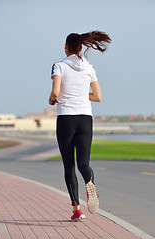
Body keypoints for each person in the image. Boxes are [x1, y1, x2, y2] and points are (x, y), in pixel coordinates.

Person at [48, 31, 111, 221]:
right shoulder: (89, 67)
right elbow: (98, 97)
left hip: (66, 118)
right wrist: (82, 95)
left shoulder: (59, 66)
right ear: (82, 47)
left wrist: (52, 100)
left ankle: (77, 209)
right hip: (85, 118)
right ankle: (90, 182)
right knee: (84, 163)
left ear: (66, 47)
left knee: (69, 166)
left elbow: (55, 92)